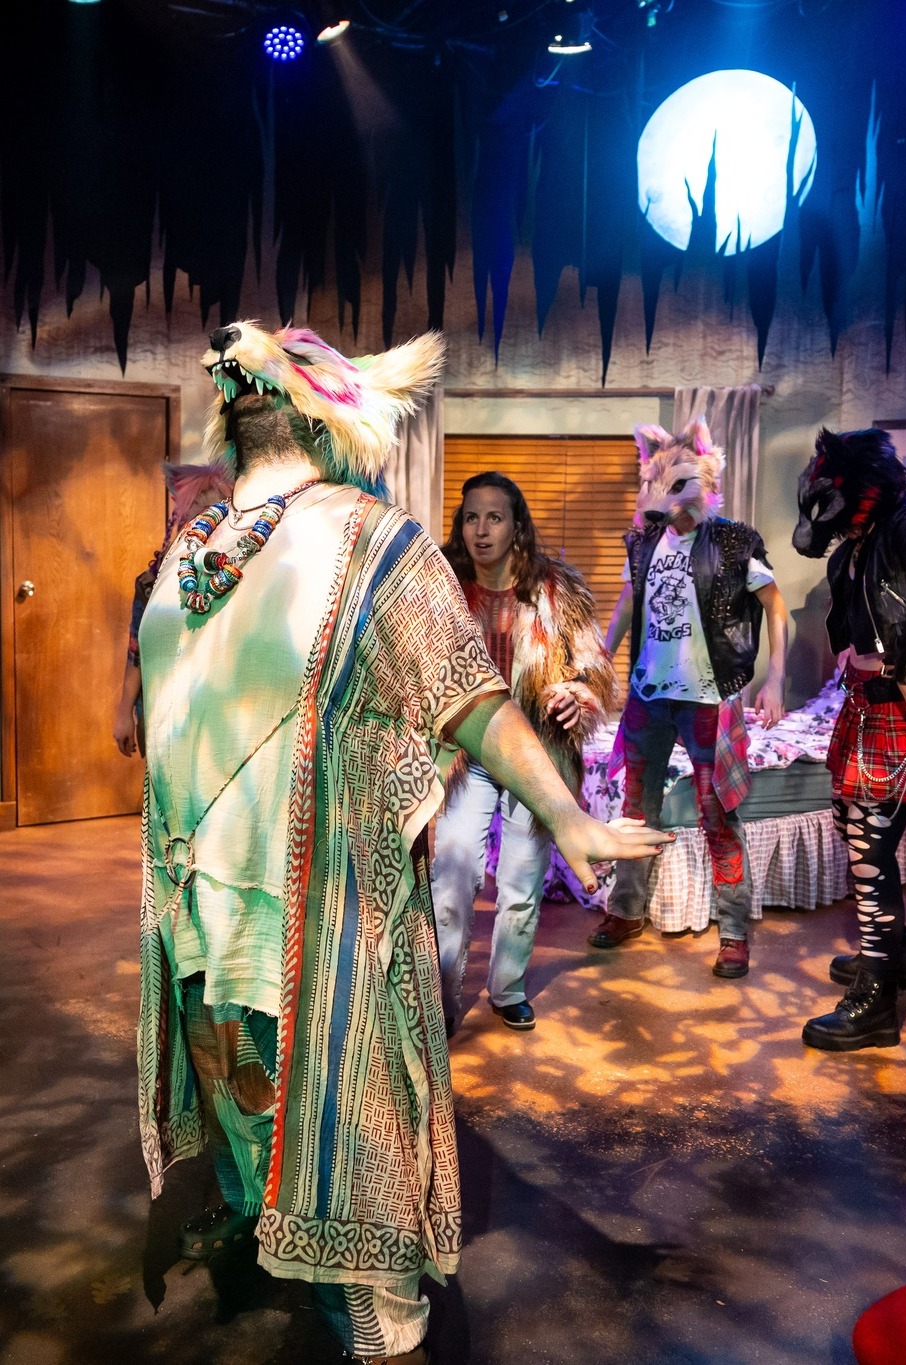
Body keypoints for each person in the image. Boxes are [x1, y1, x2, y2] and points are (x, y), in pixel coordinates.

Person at [136, 319, 669, 1365]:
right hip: (191, 888)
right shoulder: (199, 542)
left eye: (285, 366)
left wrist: (563, 811)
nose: (249, 364)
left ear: (330, 406)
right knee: (226, 1079)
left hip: (313, 902)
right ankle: (262, 1221)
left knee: (335, 1108)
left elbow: (465, 694)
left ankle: (379, 1307)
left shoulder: (376, 542)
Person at [586, 417, 788, 979]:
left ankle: (734, 932)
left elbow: (776, 606)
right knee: (634, 811)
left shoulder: (734, 542)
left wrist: (775, 679)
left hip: (708, 698)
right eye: (654, 483)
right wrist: (600, 661)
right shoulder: (643, 542)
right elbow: (629, 602)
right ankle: (626, 911)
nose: (664, 498)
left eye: (679, 484)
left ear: (708, 478)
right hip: (649, 696)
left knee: (718, 814)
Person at [792, 427, 906, 1051]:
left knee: (870, 851)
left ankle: (878, 1002)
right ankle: (893, 954)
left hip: (896, 701)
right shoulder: (863, 539)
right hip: (866, 701)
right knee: (855, 829)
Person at [431, 472, 617, 1033]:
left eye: (494, 517)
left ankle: (507, 988)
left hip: (537, 751)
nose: (481, 530)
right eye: (471, 517)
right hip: (466, 753)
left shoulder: (556, 589)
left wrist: (577, 695)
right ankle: (440, 998)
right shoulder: (441, 585)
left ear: (517, 526)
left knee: (521, 881)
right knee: (453, 872)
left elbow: (593, 670)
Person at [112, 459, 233, 757]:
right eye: (197, 516)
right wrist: (124, 711)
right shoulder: (154, 582)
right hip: (160, 716)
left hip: (217, 721)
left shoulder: (237, 573)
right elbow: (137, 649)